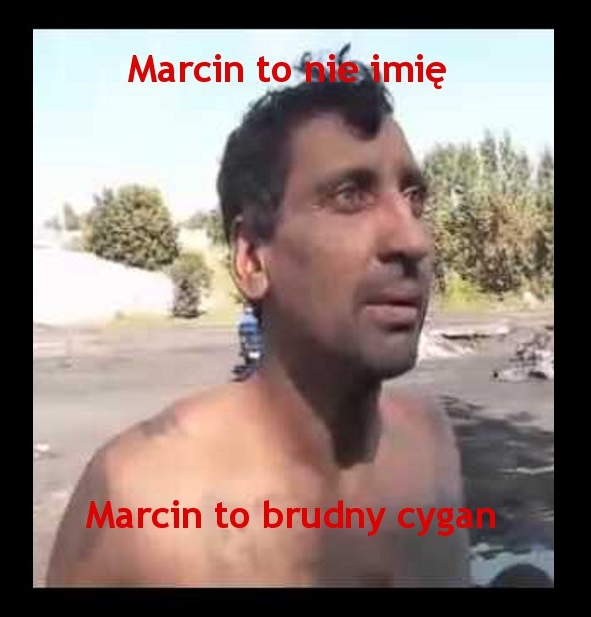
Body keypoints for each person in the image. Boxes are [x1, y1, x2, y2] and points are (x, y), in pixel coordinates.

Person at [46, 48, 470, 587]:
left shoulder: (431, 446)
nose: (412, 239)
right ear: (251, 258)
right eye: (350, 195)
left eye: (414, 199)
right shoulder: (138, 503)